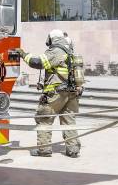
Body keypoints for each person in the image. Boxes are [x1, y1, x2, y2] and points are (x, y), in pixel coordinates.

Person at [12, 29, 82, 158]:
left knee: (43, 119)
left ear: (52, 38)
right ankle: (73, 150)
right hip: (71, 93)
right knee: (69, 121)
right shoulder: (70, 52)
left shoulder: (56, 51)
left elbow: (37, 62)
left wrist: (23, 54)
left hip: (56, 93)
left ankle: (43, 150)